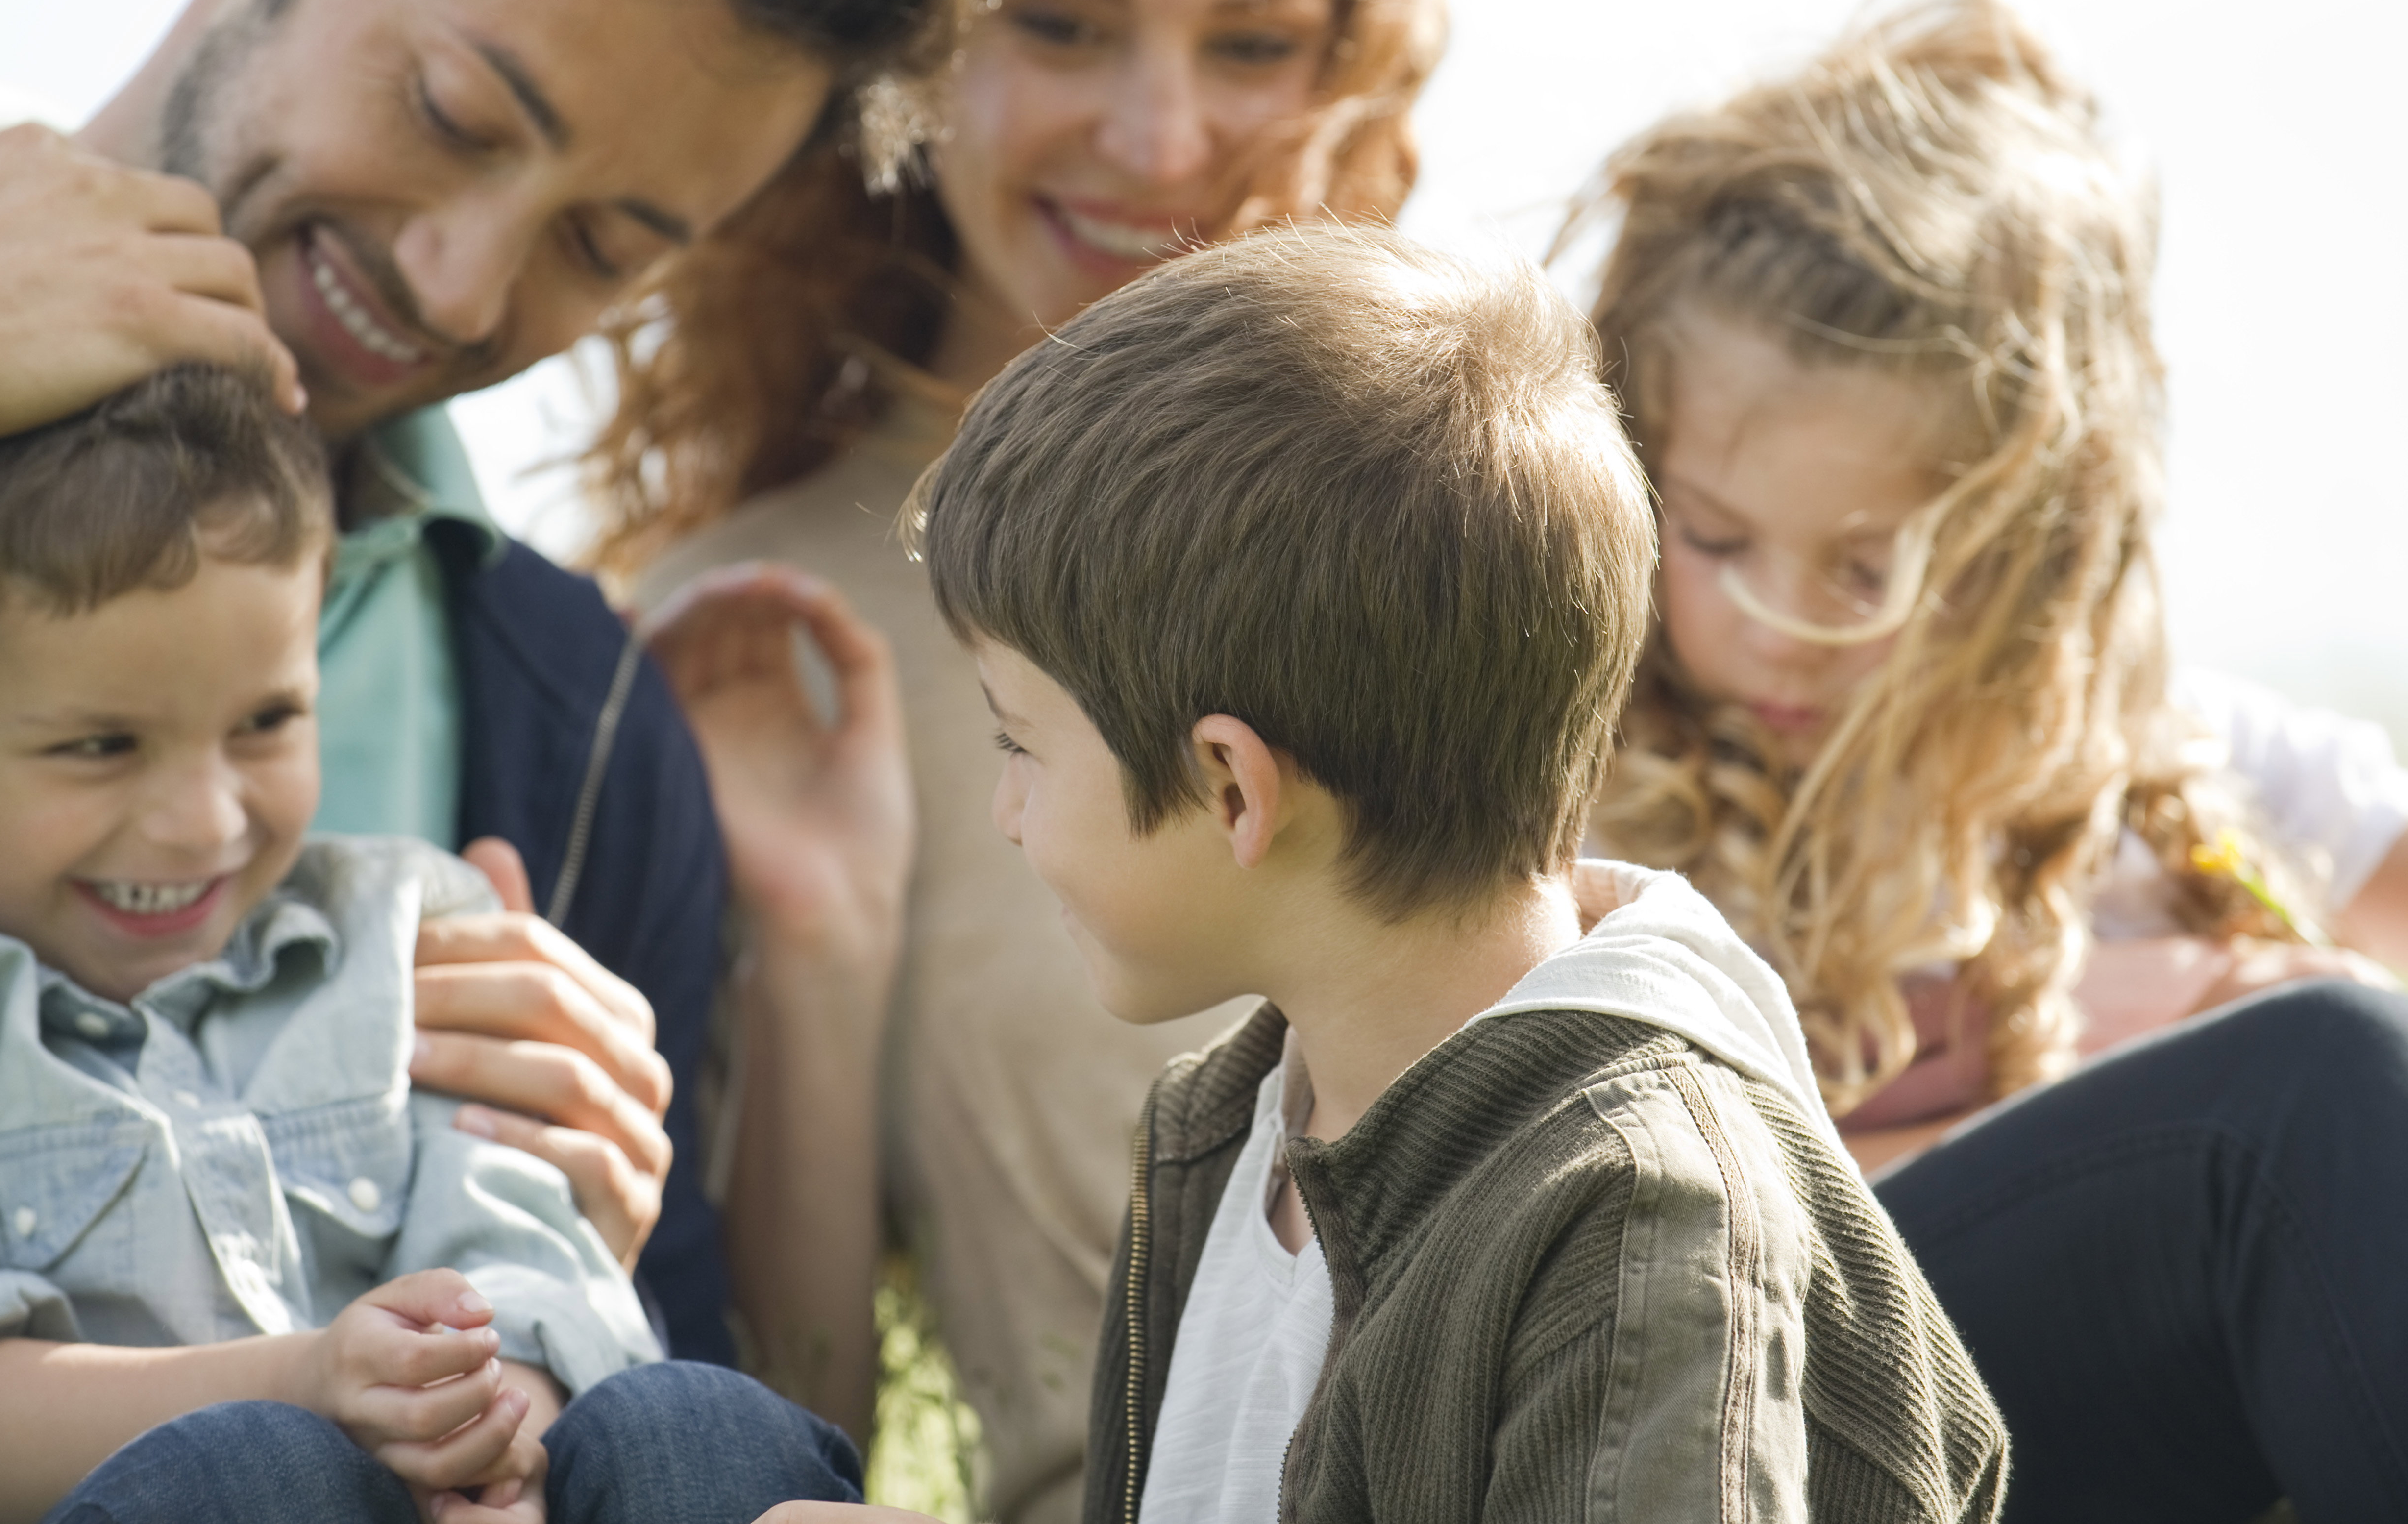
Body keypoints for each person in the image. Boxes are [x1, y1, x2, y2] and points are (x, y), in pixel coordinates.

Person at [0, 0, 990, 1365]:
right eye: (451, 110)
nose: (459, 285)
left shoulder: (572, 724)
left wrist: (578, 1270)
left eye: (600, 245)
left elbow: (724, 1417)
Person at [753, 224, 2006, 1524]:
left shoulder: (1643, 1214)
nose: (1010, 813)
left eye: (1022, 743)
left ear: (1234, 786)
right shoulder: (1226, 1130)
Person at [594, 0, 1448, 1504]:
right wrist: (816, 954)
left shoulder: (1493, 487)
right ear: (908, 25)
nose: (1157, 134)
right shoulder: (740, 630)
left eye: (1255, 42)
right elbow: (770, 1410)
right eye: (1054, 20)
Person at [1565, 0, 2408, 1520]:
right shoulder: (1586, 808)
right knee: (2310, 1080)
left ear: (2027, 545)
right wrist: (2135, 1076)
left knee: (2347, 1049)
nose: (1780, 625)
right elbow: (1604, 1252)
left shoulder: (2157, 762)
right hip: (1781, 1428)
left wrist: (2300, 987)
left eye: (1865, 564)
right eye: (1719, 536)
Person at [0, 367, 863, 1524]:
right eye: (100, 744)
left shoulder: (404, 935)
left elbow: (526, 1242)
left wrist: (494, 1435)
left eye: (267, 720)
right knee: (252, 1476)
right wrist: (306, 1383)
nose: (207, 820)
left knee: (692, 1422)